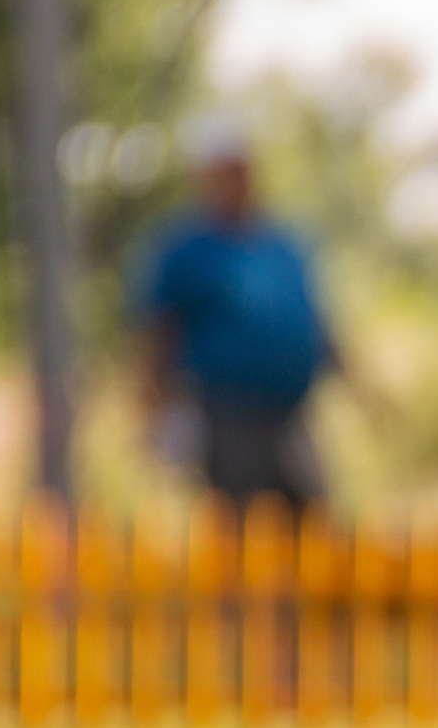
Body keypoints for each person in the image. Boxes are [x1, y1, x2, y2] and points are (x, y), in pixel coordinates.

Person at [129, 113, 342, 509]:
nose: (238, 180)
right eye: (226, 171)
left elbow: (317, 324)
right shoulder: (183, 249)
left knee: (313, 521)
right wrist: (153, 411)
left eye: (243, 169)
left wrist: (360, 384)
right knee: (241, 529)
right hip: (226, 415)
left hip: (292, 414)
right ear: (204, 178)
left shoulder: (284, 245)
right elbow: (156, 332)